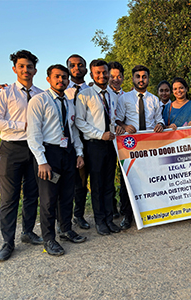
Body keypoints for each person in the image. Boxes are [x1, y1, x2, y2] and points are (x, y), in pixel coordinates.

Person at [27, 64, 86, 256]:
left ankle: (66, 229)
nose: (61, 80)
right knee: (48, 199)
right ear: (49, 79)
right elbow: (33, 133)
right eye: (57, 77)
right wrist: (42, 161)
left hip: (67, 153)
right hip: (48, 155)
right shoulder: (39, 101)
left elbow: (73, 129)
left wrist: (78, 153)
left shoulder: (68, 102)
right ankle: (49, 239)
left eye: (64, 77)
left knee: (67, 195)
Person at [0, 50, 44, 261]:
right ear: (15, 69)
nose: (26, 70)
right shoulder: (5, 93)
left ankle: (28, 232)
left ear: (35, 70)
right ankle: (7, 242)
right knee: (9, 198)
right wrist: (22, 125)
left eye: (30, 66)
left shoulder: (42, 94)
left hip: (34, 149)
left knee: (32, 194)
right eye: (22, 66)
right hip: (11, 148)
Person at [75, 59, 124, 236]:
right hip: (94, 145)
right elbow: (79, 121)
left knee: (109, 183)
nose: (102, 76)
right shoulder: (85, 95)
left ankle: (109, 219)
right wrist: (99, 134)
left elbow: (112, 118)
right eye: (98, 73)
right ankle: (100, 221)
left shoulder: (112, 95)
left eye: (105, 72)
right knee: (97, 184)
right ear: (91, 74)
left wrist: (115, 128)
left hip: (110, 144)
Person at [115, 65, 165, 230]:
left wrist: (160, 124)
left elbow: (160, 119)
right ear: (133, 79)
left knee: (151, 179)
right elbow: (117, 120)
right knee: (128, 182)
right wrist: (125, 125)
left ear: (148, 79)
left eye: (144, 76)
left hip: (150, 146)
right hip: (130, 147)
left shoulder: (154, 99)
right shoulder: (124, 98)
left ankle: (152, 212)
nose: (141, 79)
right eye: (138, 76)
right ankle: (127, 216)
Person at [64, 54, 91, 231]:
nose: (77, 68)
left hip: (89, 142)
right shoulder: (61, 91)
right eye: (72, 65)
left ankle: (79, 215)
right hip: (66, 144)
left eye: (80, 65)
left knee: (83, 182)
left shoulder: (93, 91)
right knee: (66, 183)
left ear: (86, 69)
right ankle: (63, 219)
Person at [107, 61, 125, 219]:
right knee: (109, 175)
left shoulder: (127, 96)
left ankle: (125, 204)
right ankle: (111, 207)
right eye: (112, 76)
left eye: (119, 76)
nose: (115, 79)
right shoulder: (103, 95)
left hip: (126, 143)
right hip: (108, 140)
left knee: (125, 173)